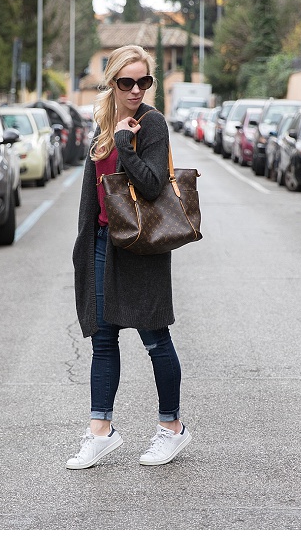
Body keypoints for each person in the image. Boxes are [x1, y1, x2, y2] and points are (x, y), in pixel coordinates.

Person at [67, 45, 192, 469]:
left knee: (155, 338)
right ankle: (101, 431)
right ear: (112, 83)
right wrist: (83, 243)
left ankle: (172, 429)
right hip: (105, 242)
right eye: (127, 82)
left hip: (141, 244)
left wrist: (127, 143)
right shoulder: (103, 123)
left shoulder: (151, 124)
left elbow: (154, 185)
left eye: (144, 81)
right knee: (103, 338)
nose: (136, 89)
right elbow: (92, 193)